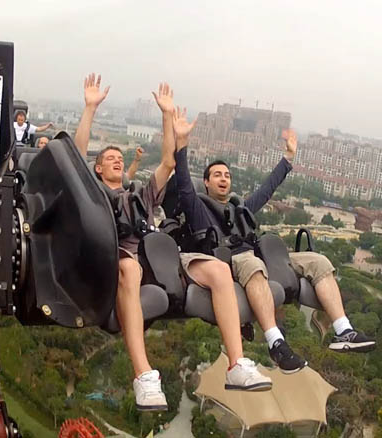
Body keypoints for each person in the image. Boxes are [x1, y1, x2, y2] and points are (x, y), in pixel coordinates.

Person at [74, 74, 272, 411]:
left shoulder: (139, 194)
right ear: (96, 168)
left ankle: (236, 364)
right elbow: (75, 161)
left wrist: (169, 120)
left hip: (160, 256)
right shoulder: (94, 195)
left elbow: (168, 162)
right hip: (122, 256)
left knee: (219, 271)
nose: (117, 160)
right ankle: (144, 377)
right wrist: (90, 108)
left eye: (120, 158)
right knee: (129, 270)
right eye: (109, 159)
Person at [173, 121, 377, 373]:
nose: (223, 179)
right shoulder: (198, 209)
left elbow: (266, 190)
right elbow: (183, 187)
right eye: (217, 175)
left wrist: (288, 159)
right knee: (252, 263)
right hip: (229, 261)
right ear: (206, 182)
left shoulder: (241, 210)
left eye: (227, 175)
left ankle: (343, 329)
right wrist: (181, 145)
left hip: (258, 256)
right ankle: (275, 341)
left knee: (318, 261)